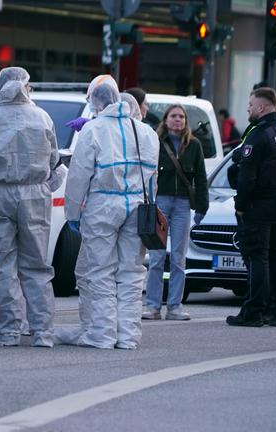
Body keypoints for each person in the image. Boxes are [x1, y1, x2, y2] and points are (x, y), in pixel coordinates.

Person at [0, 67, 59, 347]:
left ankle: (8, 331)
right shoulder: (42, 117)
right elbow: (53, 159)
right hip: (34, 193)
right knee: (36, 265)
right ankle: (42, 332)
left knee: (0, 264)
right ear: (27, 86)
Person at [62, 83, 159, 349]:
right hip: (137, 205)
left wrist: (72, 212)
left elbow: (78, 175)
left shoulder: (93, 129)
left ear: (96, 103)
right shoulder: (146, 132)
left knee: (100, 271)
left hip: (102, 205)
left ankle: (102, 334)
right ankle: (128, 336)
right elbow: (153, 178)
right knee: (131, 272)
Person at [226, 87, 276, 328]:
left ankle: (254, 311)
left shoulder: (259, 135)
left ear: (262, 107)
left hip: (260, 204)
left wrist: (241, 206)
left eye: (250, 105)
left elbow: (247, 177)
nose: (248, 109)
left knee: (258, 257)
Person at [142, 104, 209, 321]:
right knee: (156, 257)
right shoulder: (156, 142)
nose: (178, 119)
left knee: (179, 258)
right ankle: (152, 306)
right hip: (160, 202)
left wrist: (202, 207)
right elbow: (147, 173)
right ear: (165, 120)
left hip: (182, 205)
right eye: (173, 116)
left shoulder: (194, 145)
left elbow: (201, 178)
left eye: (181, 116)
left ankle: (175, 307)